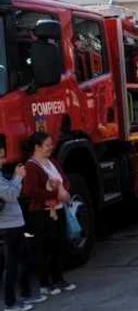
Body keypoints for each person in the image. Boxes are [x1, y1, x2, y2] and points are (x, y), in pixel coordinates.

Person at [21, 132, 75, 296]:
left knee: (59, 244)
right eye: (47, 145)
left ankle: (59, 278)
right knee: (45, 248)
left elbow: (64, 178)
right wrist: (55, 195)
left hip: (58, 210)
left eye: (51, 144)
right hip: (41, 213)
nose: (50, 147)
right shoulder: (31, 166)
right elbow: (30, 191)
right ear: (37, 147)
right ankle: (45, 283)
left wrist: (64, 189)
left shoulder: (52, 162)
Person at [0, 147, 46, 311]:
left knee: (22, 259)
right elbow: (11, 195)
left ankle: (24, 295)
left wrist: (14, 178)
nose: (3, 160)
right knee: (11, 265)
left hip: (15, 224)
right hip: (8, 226)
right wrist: (18, 177)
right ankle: (11, 303)